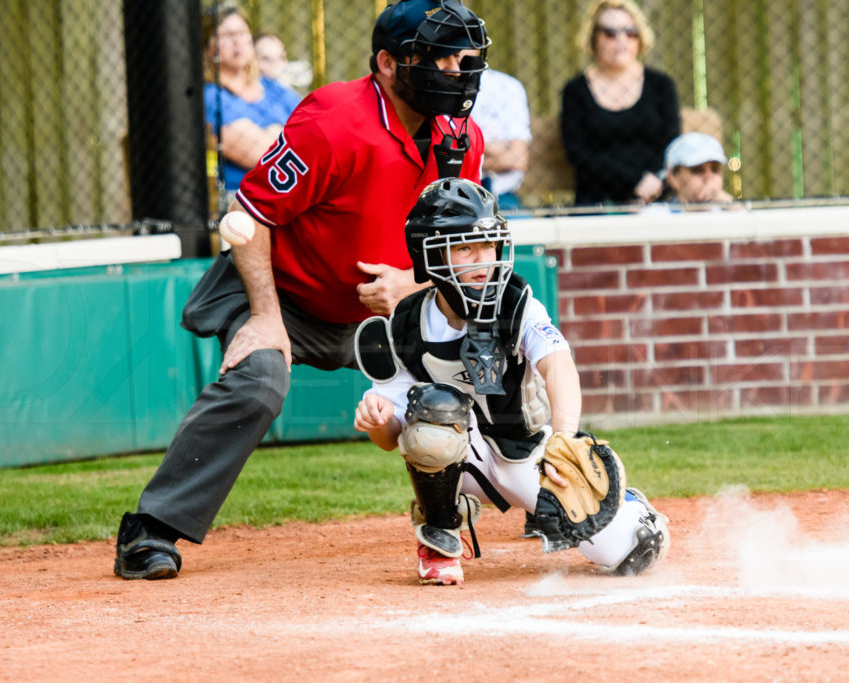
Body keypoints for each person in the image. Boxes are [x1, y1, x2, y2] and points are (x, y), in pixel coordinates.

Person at [113, 0, 490, 581]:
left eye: (464, 59)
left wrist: (412, 286)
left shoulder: (461, 137)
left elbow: (465, 248)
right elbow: (250, 217)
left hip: (379, 311)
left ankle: (533, 499)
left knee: (482, 360)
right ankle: (151, 528)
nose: (456, 72)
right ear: (388, 64)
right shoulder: (334, 119)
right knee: (261, 379)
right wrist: (266, 319)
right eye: (439, 59)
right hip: (276, 288)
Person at [353, 178, 669, 585]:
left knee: (636, 548)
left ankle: (617, 503)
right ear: (427, 253)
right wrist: (379, 422)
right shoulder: (405, 327)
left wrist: (565, 439)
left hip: (524, 450)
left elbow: (558, 364)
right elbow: (391, 435)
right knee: (432, 416)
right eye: (465, 247)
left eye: (488, 246)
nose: (482, 260)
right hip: (461, 457)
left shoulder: (516, 302)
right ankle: (440, 533)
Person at [559, 0, 680, 206]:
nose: (621, 40)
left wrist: (651, 181)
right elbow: (578, 153)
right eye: (609, 32)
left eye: (630, 32)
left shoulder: (661, 85)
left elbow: (671, 143)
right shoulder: (575, 90)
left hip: (654, 196)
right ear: (593, 38)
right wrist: (635, 181)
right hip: (596, 199)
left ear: (640, 37)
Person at [203, 7, 304, 193]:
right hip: (244, 201)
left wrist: (272, 134)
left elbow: (316, 132)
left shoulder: (272, 87)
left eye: (242, 33)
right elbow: (263, 155)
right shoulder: (211, 96)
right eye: (226, 35)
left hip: (296, 192)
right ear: (208, 48)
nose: (237, 41)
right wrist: (286, 133)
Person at [470, 66, 531, 210]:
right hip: (455, 194)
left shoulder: (507, 86)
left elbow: (517, 159)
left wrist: (471, 148)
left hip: (502, 196)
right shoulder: (439, 85)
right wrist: (496, 148)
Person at [655, 132, 735, 208]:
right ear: (673, 177)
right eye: (698, 170)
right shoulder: (661, 214)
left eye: (715, 170)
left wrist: (731, 206)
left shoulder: (731, 212)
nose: (709, 177)